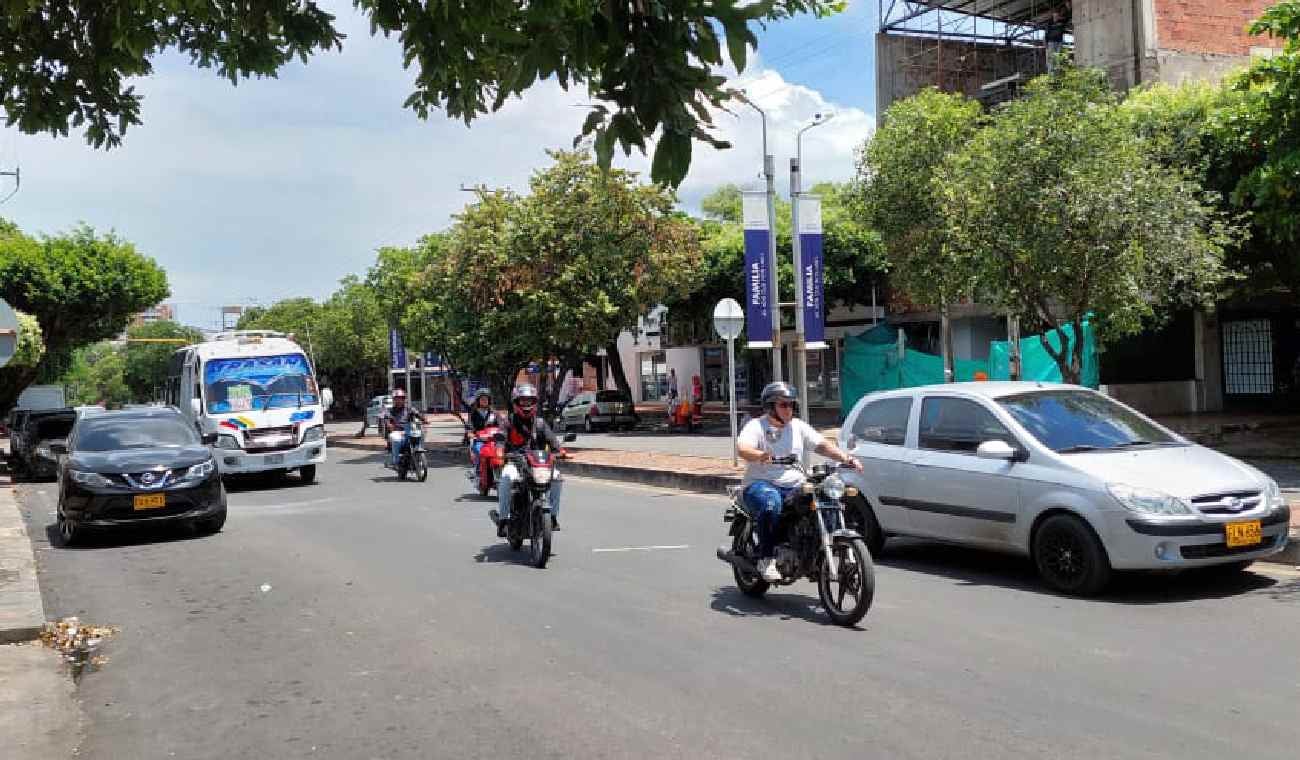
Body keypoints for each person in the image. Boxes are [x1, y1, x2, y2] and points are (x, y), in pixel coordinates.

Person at [735, 381, 862, 582]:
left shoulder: (798, 426)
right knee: (771, 503)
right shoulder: (756, 426)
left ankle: (820, 547)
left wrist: (846, 459)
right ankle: (766, 559)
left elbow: (822, 445)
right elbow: (742, 448)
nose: (789, 409)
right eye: (783, 405)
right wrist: (760, 455)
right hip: (761, 483)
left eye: (791, 404)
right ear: (770, 407)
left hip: (794, 483)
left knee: (826, 496)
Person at [496, 384, 569, 535]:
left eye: (529, 401)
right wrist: (499, 450)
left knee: (557, 478)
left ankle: (553, 516)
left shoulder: (541, 423)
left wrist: (561, 451)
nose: (526, 405)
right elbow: (500, 438)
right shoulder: (508, 421)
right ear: (516, 403)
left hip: (538, 465)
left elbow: (553, 441)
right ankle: (503, 520)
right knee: (506, 478)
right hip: (515, 462)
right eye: (523, 401)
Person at [381, 389, 424, 470]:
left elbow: (417, 414)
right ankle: (396, 462)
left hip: (408, 431)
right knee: (395, 439)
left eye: (401, 398)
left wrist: (424, 419)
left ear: (404, 399)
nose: (399, 400)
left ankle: (418, 454)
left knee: (420, 434)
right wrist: (389, 424)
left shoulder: (409, 409)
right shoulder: (390, 411)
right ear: (394, 400)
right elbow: (386, 418)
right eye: (397, 398)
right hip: (397, 431)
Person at [466, 388, 501, 467]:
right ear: (478, 400)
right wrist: (470, 433)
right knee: (479, 451)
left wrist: (503, 432)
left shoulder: (494, 413)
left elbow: (500, 426)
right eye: (482, 399)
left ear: (489, 400)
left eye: (486, 399)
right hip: (479, 440)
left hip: (493, 440)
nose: (484, 400)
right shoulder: (473, 413)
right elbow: (470, 426)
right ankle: (478, 470)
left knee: (500, 452)